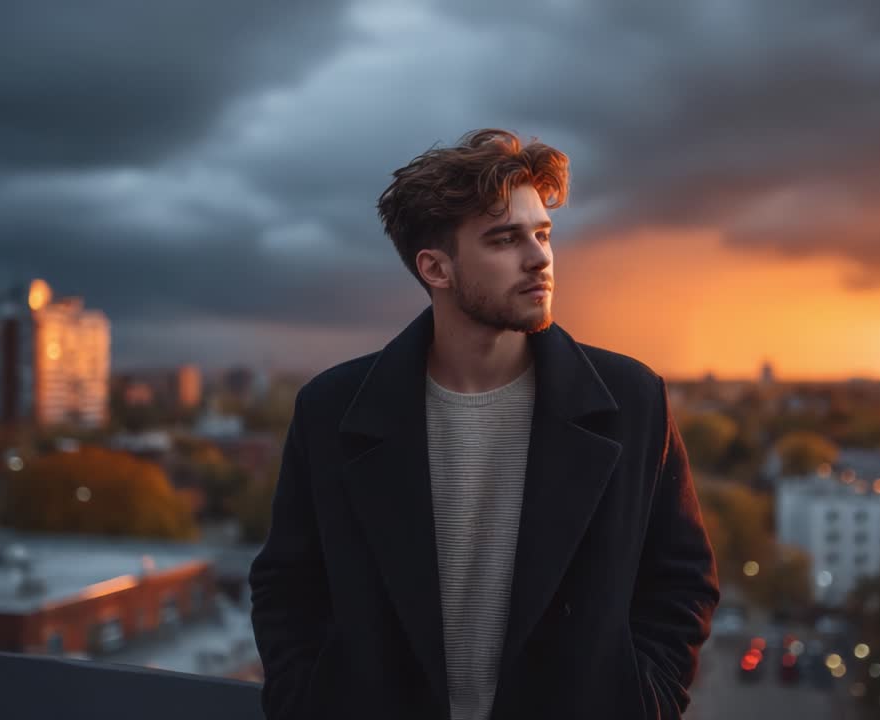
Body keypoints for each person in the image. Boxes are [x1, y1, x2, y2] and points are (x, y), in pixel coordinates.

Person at [249, 128, 719, 719]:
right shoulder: (332, 410)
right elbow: (286, 589)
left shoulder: (631, 400)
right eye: (505, 239)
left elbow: (682, 583)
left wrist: (645, 702)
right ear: (436, 269)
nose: (539, 257)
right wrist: (308, 704)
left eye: (543, 234)